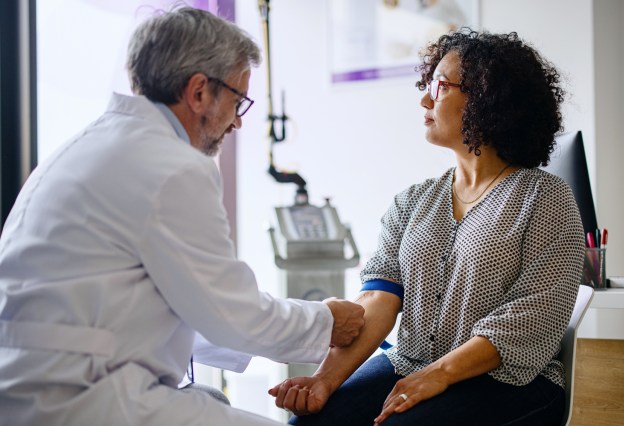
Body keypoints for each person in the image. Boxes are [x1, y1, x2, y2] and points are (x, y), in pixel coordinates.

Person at [0, 7, 365, 426]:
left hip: (35, 383)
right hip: (80, 396)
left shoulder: (89, 145)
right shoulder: (171, 167)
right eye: (237, 101)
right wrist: (327, 322)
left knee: (210, 399)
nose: (238, 123)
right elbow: (235, 316)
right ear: (198, 93)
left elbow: (187, 309)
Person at [269, 28, 585, 425]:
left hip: (510, 380)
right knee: (309, 422)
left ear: (487, 99)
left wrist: (439, 374)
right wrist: (324, 380)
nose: (423, 99)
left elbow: (532, 316)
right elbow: (378, 301)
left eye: (438, 86)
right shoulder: (412, 202)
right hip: (411, 362)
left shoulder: (544, 199)